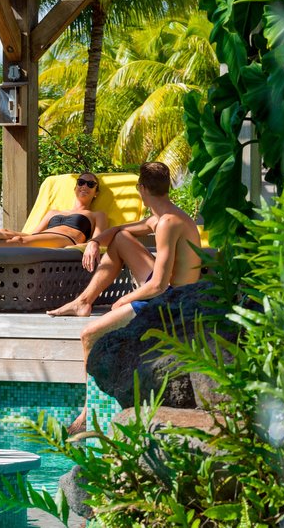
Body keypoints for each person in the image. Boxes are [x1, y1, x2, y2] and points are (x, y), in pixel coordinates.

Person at [46, 162, 202, 433]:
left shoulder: (168, 223)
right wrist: (94, 242)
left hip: (173, 300)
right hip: (167, 289)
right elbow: (118, 231)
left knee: (89, 335)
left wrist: (124, 300)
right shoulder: (162, 217)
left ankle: (89, 411)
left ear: (141, 189)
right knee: (120, 239)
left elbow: (159, 285)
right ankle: (83, 301)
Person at [0, 172, 108, 249]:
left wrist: (85, 249)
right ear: (75, 187)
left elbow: (97, 240)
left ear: (96, 193)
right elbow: (33, 234)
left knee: (19, 241)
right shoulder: (54, 212)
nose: (85, 186)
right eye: (81, 182)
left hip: (67, 240)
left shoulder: (97, 215)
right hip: (43, 237)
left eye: (91, 184)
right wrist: (12, 234)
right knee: (7, 232)